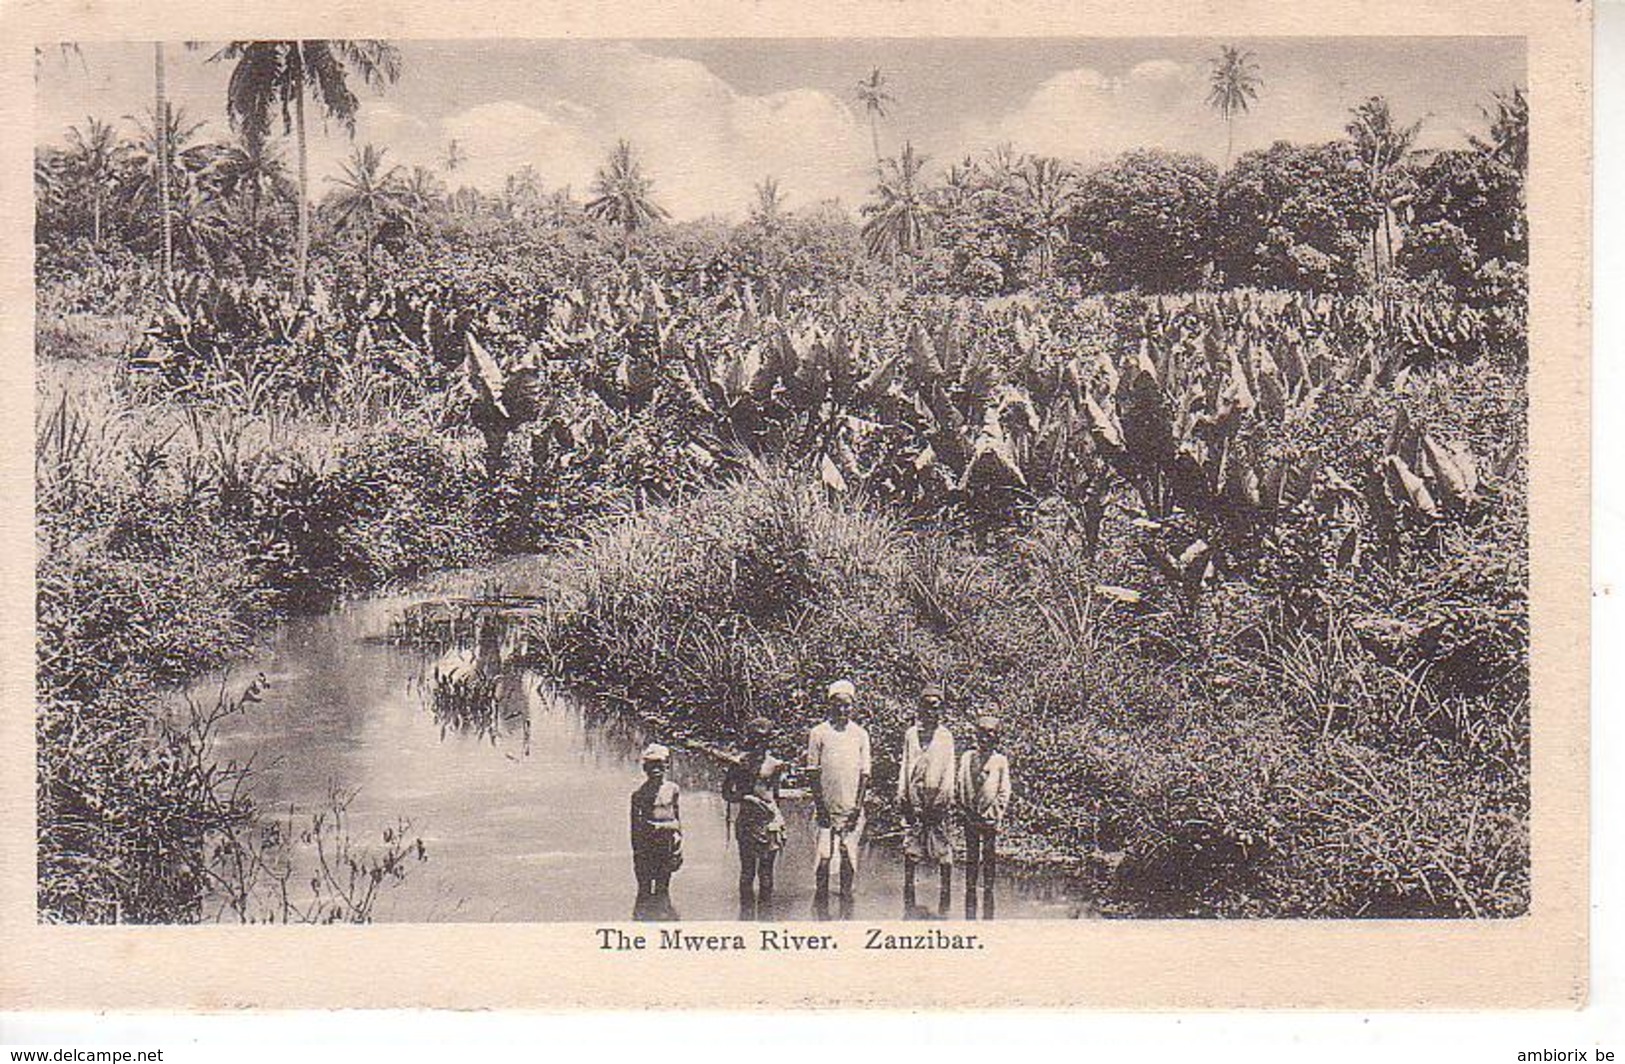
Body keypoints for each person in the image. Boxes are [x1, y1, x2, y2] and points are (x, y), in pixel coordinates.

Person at [806, 679, 871, 918]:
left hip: (851, 805)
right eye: (838, 705)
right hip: (826, 806)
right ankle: (821, 908)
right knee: (824, 856)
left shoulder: (860, 734)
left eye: (847, 705)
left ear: (853, 707)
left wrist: (857, 807)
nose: (843, 710)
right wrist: (821, 807)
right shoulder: (818, 733)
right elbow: (813, 771)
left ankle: (846, 904)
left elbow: (865, 773)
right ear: (830, 705)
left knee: (848, 854)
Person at [898, 684, 957, 918]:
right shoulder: (911, 734)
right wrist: (903, 794)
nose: (932, 711)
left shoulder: (945, 736)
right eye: (927, 706)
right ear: (920, 708)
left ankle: (946, 898)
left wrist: (944, 797)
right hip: (915, 796)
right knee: (911, 846)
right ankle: (908, 896)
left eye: (936, 707)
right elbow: (905, 764)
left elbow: (949, 769)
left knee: (942, 848)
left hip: (937, 798)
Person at [722, 716, 787, 920]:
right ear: (749, 739)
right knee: (747, 872)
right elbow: (726, 793)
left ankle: (766, 921)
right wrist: (746, 798)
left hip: (769, 823)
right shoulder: (739, 764)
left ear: (769, 741)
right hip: (748, 822)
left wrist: (776, 817)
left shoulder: (776, 765)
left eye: (764, 739)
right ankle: (746, 919)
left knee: (766, 874)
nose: (760, 743)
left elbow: (775, 794)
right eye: (755, 739)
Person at [957, 715, 1012, 919]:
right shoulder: (967, 757)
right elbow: (960, 783)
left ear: (997, 738)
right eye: (981, 733)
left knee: (988, 854)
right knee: (971, 855)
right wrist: (965, 809)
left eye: (990, 734)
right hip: (970, 816)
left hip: (989, 819)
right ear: (976, 734)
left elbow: (1004, 791)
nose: (985, 738)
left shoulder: (1000, 761)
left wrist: (992, 814)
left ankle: (988, 891)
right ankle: (970, 892)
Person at [629, 743, 683, 912]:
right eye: (651, 766)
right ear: (645, 768)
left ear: (667, 766)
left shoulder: (673, 789)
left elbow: (677, 819)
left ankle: (663, 924)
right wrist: (638, 854)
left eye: (659, 765)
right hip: (646, 848)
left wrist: (678, 847)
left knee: (663, 889)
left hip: (666, 847)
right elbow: (635, 829)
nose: (656, 770)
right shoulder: (639, 794)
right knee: (644, 891)